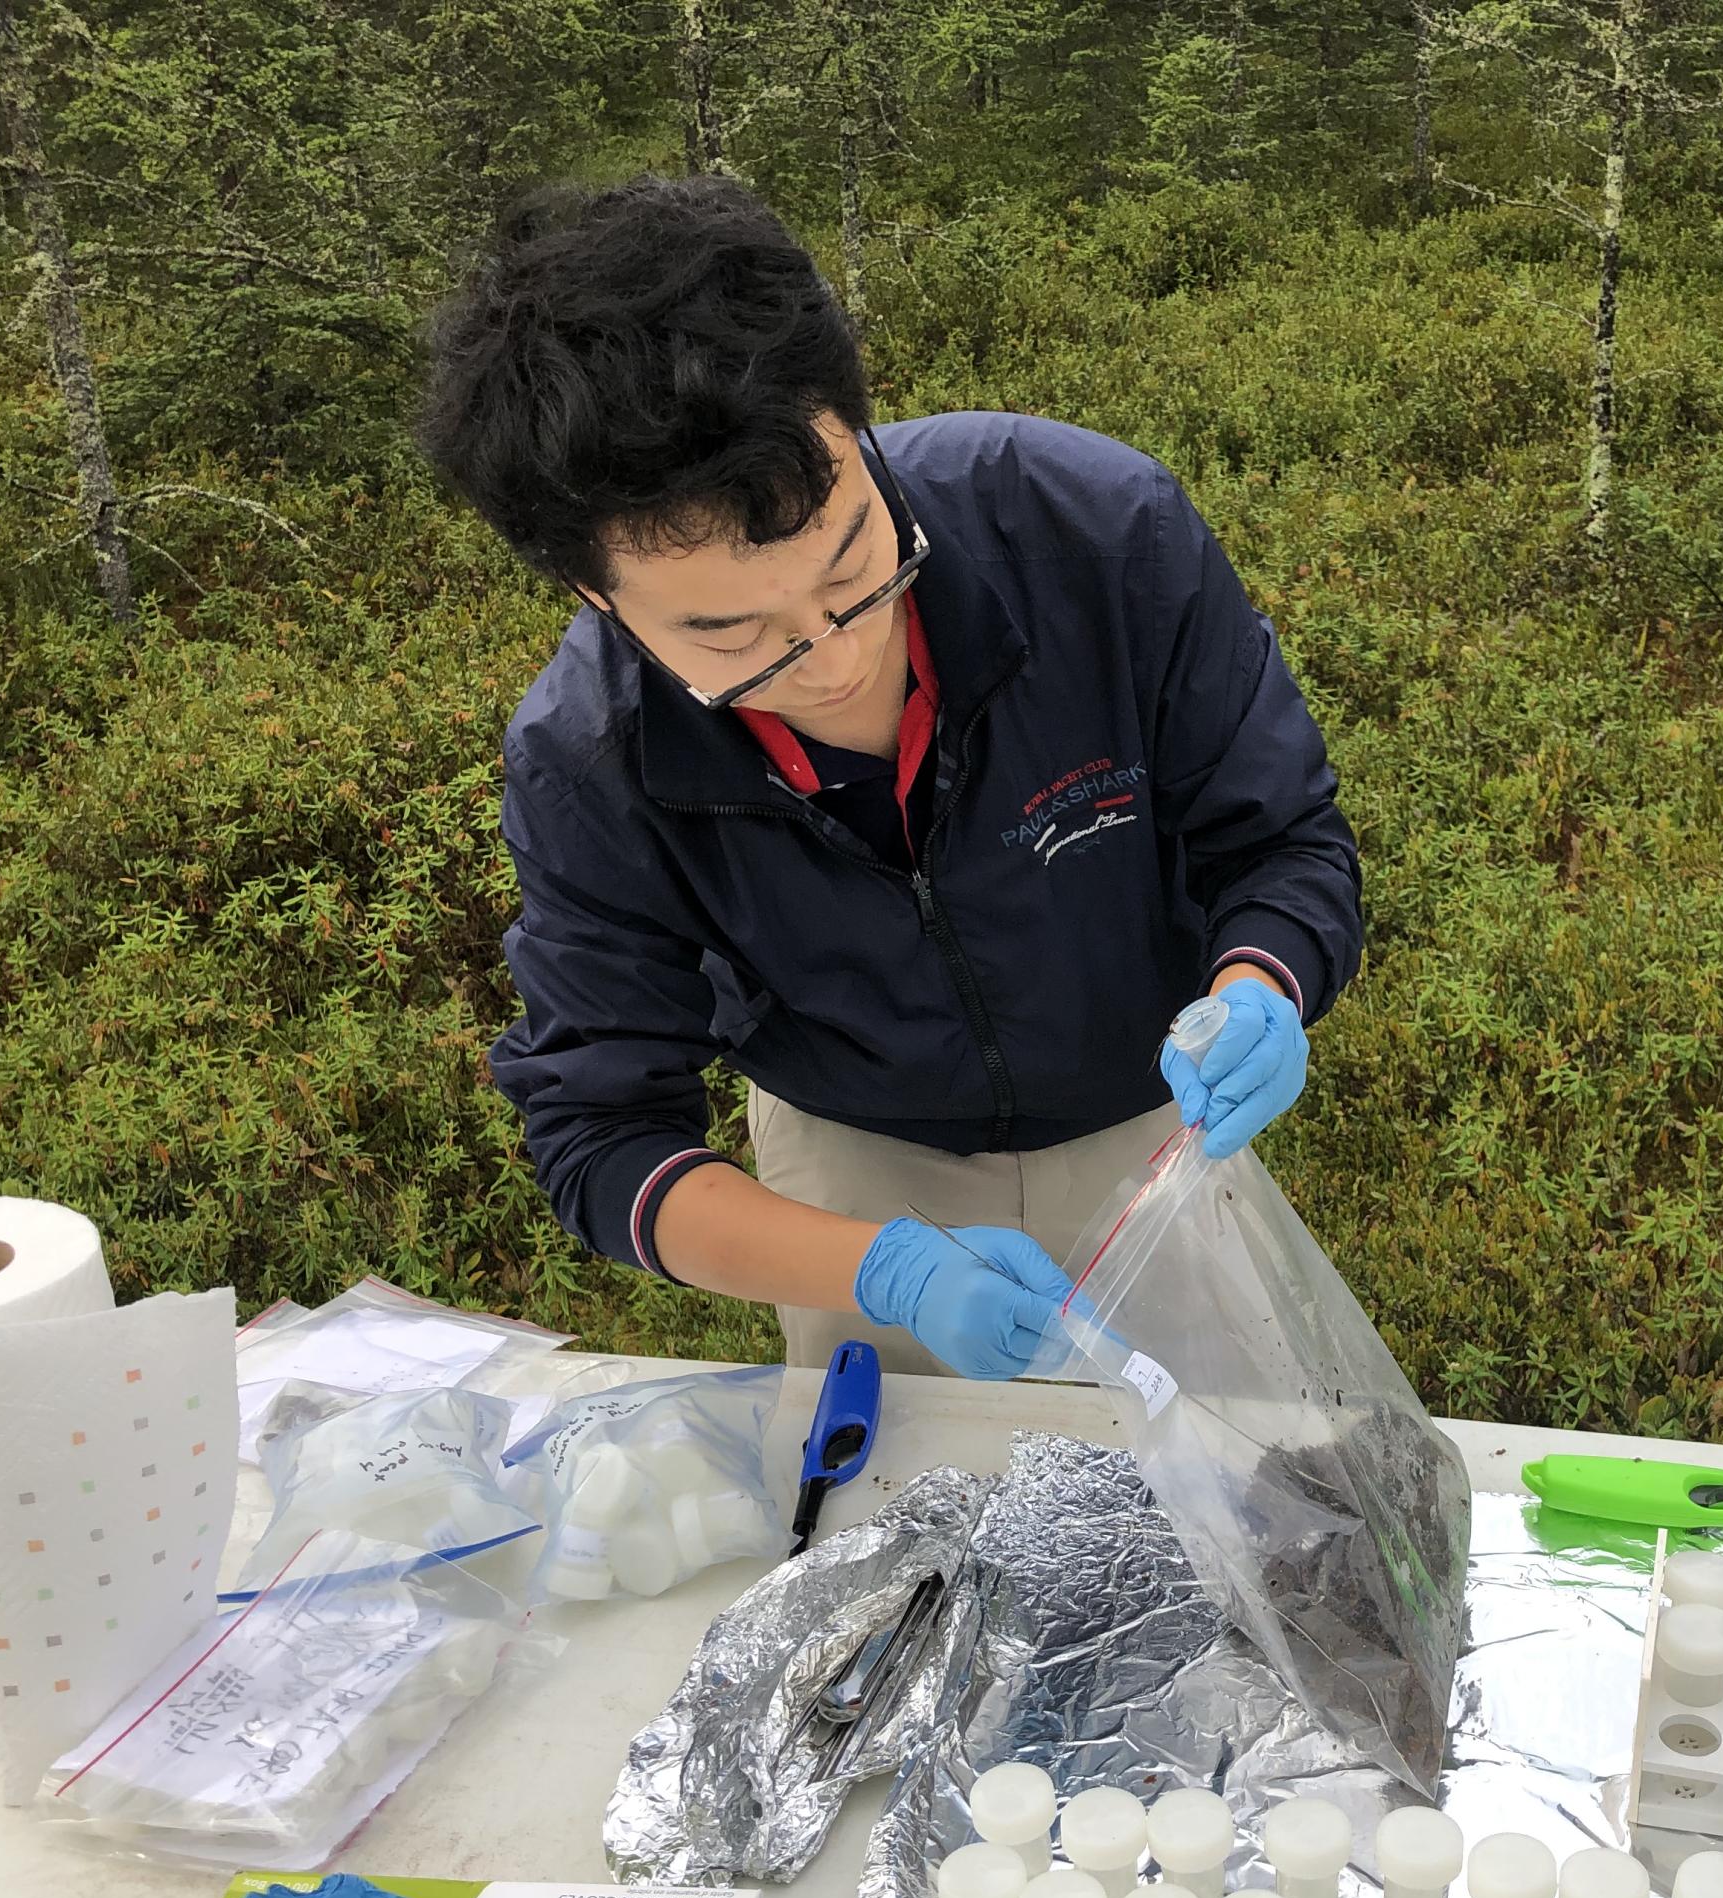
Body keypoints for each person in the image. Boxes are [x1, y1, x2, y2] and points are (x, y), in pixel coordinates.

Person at [416, 175, 1362, 1380]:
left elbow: (1281, 842)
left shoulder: (1095, 531)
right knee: (912, 1535)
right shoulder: (588, 757)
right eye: (731, 635)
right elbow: (601, 1137)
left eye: (857, 561)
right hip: (858, 1173)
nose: (835, 658)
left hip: (1158, 1125)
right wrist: (882, 1269)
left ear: (857, 430)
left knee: (1239, 1494)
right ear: (595, 593)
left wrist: (1261, 987)